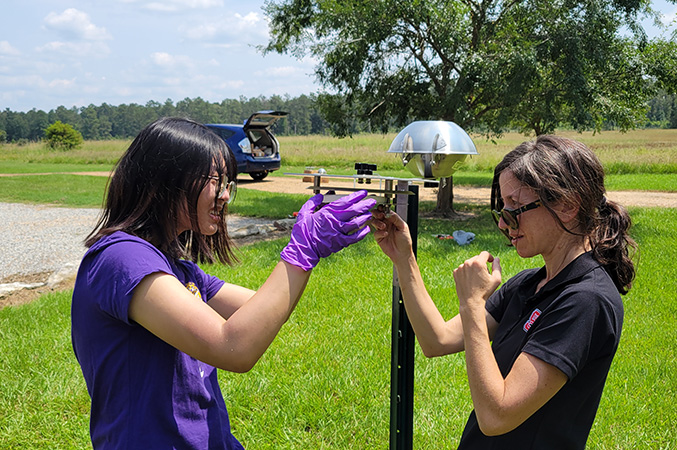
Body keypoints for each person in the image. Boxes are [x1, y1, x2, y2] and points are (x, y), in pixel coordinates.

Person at [71, 117, 376, 449]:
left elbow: (263, 310)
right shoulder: (123, 259)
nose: (225, 196)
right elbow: (233, 347)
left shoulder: (179, 271)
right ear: (165, 180)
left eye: (228, 184)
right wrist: (301, 252)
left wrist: (307, 244)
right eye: (215, 181)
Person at [371, 135, 636, 449]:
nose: (503, 222)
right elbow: (437, 340)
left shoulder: (586, 300)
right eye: (502, 208)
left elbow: (497, 416)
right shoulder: (529, 284)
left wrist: (471, 303)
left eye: (515, 207)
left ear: (566, 205)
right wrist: (405, 258)